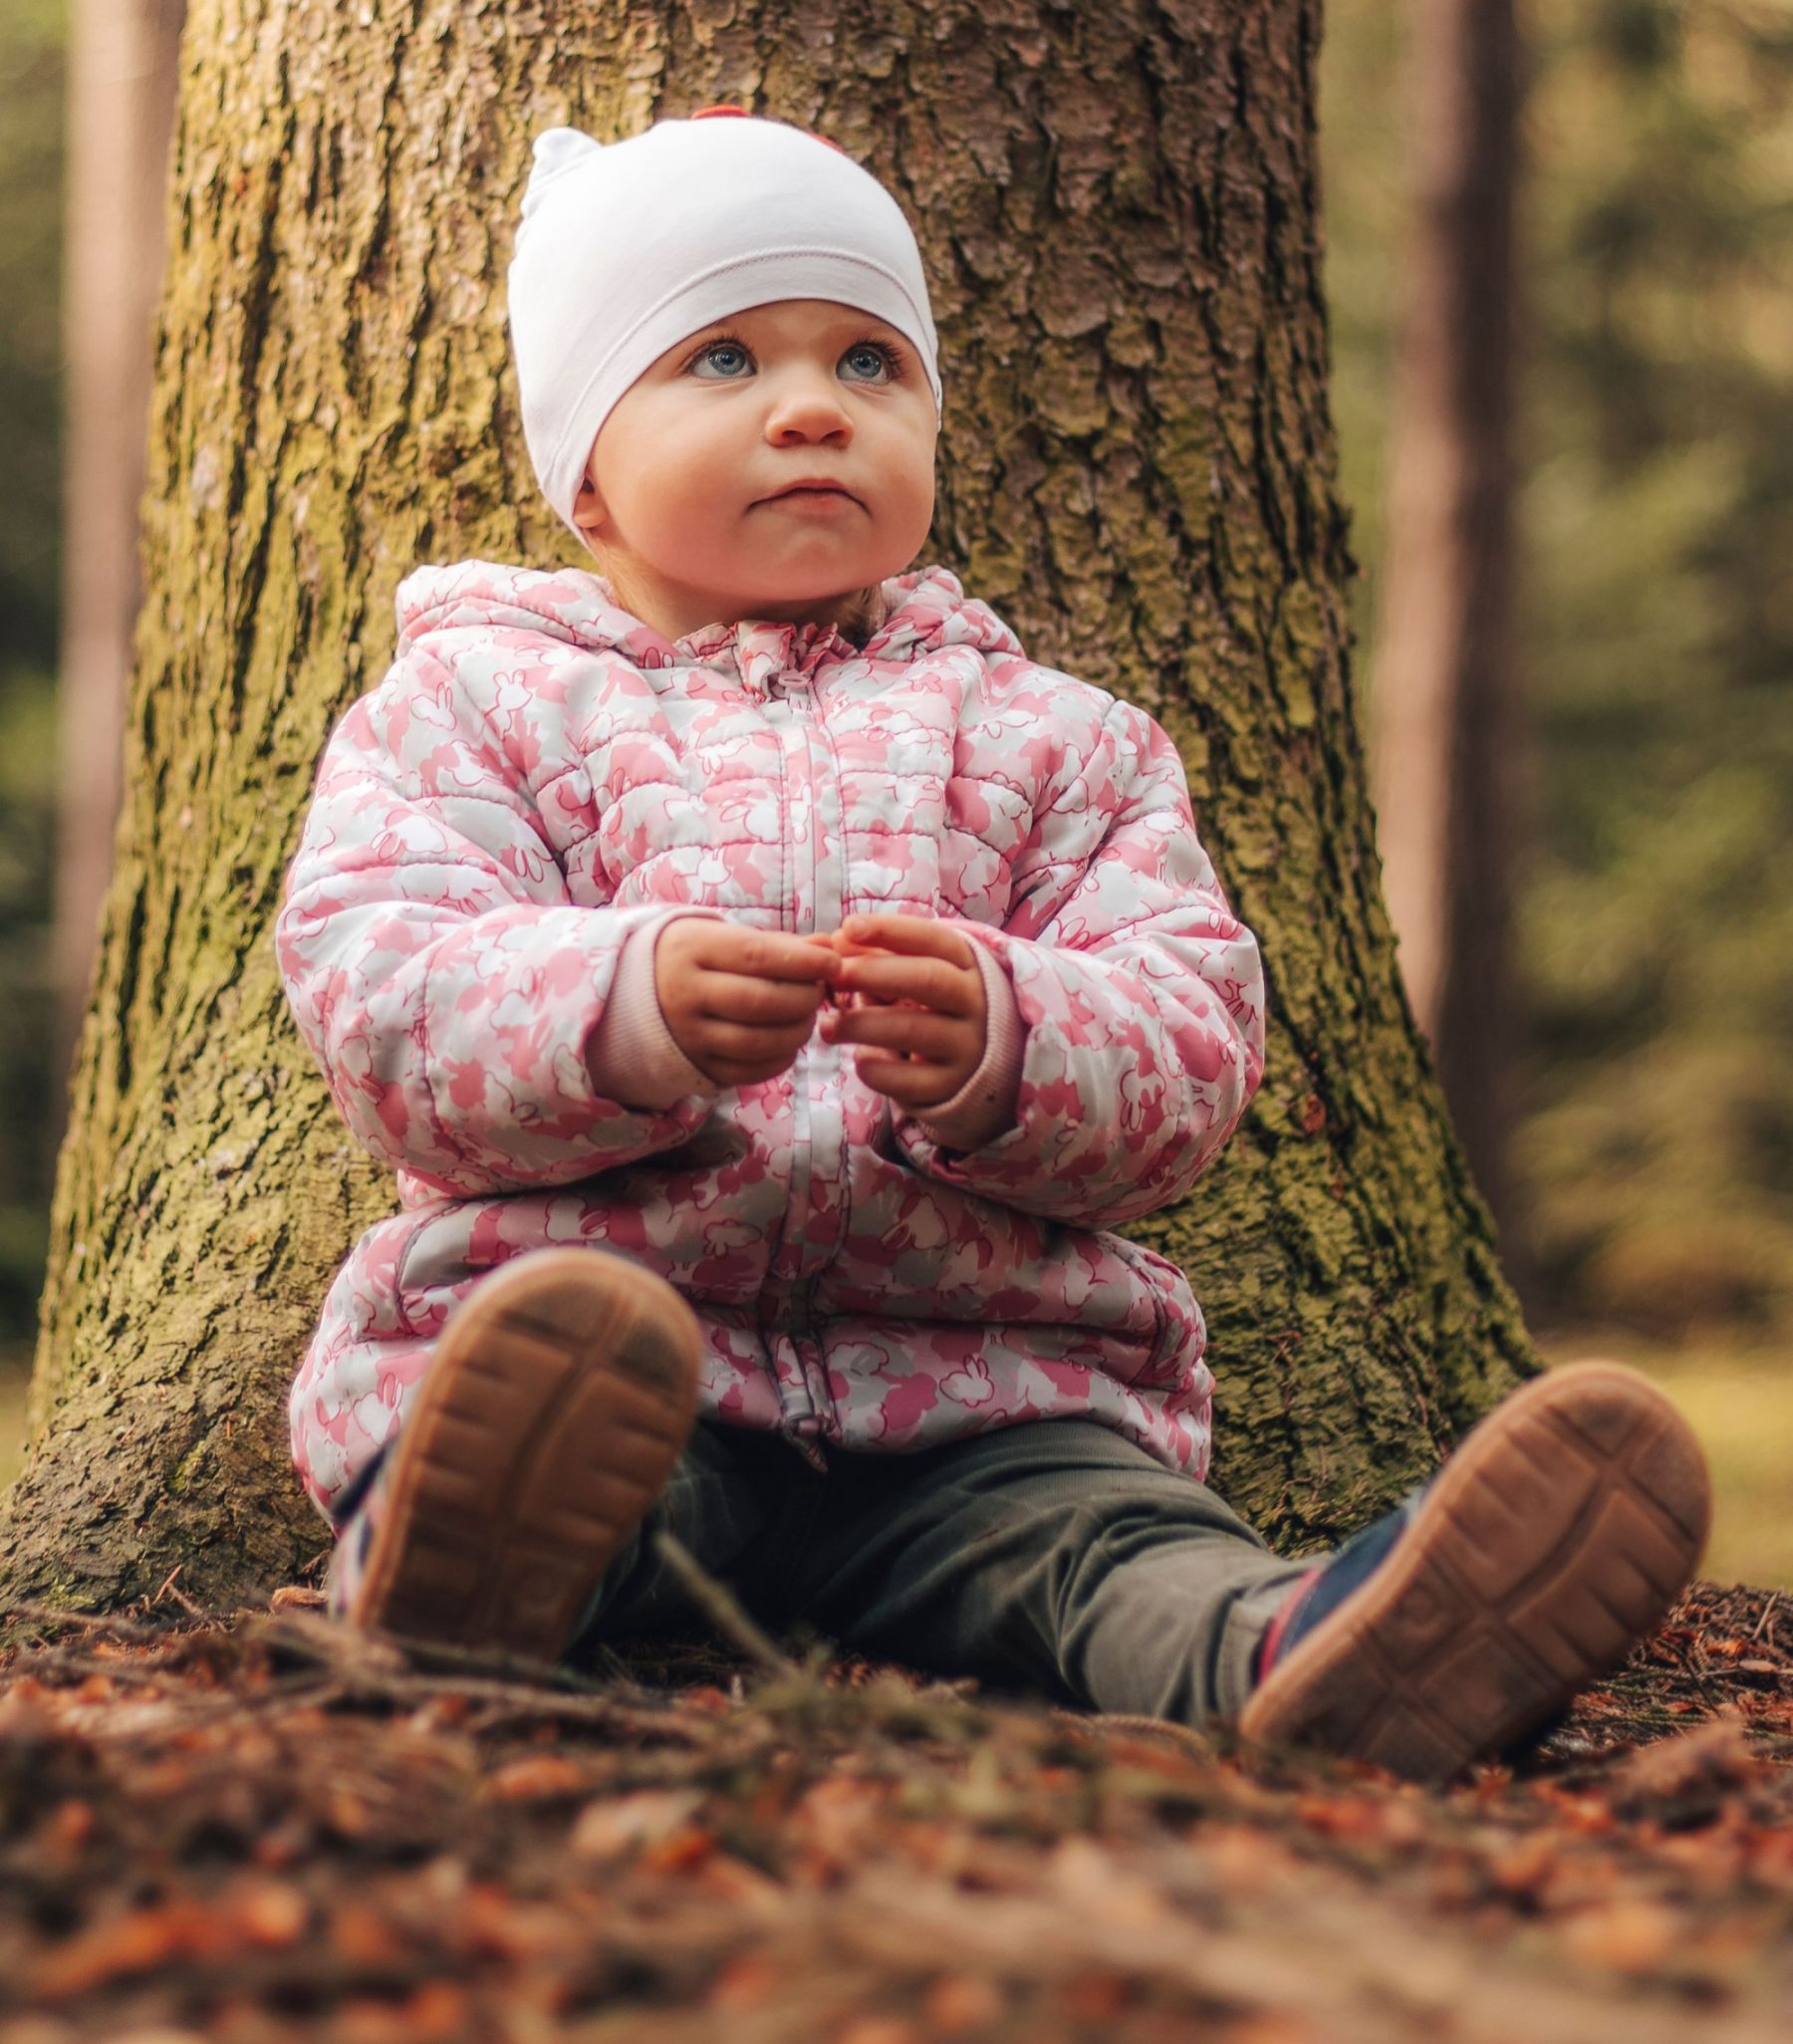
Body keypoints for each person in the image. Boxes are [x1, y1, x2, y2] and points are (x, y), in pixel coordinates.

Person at [275, 109, 1710, 1783]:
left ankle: (1299, 1651)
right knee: (560, 1457)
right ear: (584, 469)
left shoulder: (1056, 742)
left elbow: (1190, 1035)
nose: (813, 404)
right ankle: (439, 1581)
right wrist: (623, 1005)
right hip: (618, 1373)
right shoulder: (475, 708)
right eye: (723, 356)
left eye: (872, 363)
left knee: (1109, 1553)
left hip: (991, 1407)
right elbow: (382, 989)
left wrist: (1012, 1040)